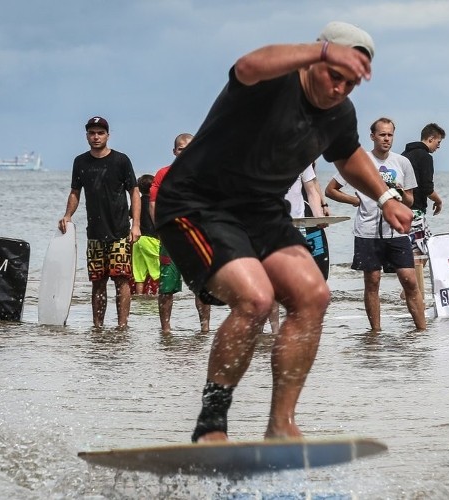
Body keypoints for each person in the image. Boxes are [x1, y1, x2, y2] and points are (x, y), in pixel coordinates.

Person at [154, 22, 412, 443]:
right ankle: (211, 424)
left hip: (261, 212)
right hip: (197, 204)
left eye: (350, 83)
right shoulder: (272, 81)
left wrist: (385, 198)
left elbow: (347, 156)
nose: (339, 89)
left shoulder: (339, 113)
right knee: (256, 299)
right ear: (317, 56)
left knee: (314, 295)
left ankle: (281, 424)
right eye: (334, 74)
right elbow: (247, 64)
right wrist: (323, 52)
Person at [326, 117, 425, 331]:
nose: (386, 139)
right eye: (382, 134)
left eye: (390, 135)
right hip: (367, 231)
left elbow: (410, 199)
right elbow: (330, 189)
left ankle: (422, 331)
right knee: (372, 282)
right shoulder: (362, 162)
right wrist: (355, 200)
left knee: (409, 280)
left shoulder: (402, 162)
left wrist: (398, 193)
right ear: (372, 136)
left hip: (397, 231)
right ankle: (376, 332)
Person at [58, 116, 140, 328]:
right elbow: (75, 192)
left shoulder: (121, 160)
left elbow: (135, 191)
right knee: (97, 282)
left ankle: (122, 326)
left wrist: (136, 225)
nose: (96, 137)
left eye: (100, 133)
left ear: (107, 136)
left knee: (122, 280)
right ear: (87, 136)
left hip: (120, 231)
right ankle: (97, 326)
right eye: (92, 133)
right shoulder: (81, 162)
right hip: (94, 232)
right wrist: (67, 216)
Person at [149, 133, 211, 334]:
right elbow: (153, 204)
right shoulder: (162, 174)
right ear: (175, 151)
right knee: (166, 286)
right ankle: (165, 330)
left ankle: (205, 329)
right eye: (181, 149)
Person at [269, 162, 326, 334]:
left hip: (297, 225)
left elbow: (311, 190)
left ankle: (297, 325)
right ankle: (275, 331)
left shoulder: (302, 154)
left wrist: (318, 216)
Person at [401, 123, 445, 299]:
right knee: (421, 252)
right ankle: (412, 293)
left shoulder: (403, 156)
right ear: (430, 138)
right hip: (416, 212)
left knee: (416, 251)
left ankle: (409, 290)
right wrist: (438, 200)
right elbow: (427, 186)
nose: (438, 146)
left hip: (401, 210)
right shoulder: (425, 157)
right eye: (438, 142)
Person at [132, 174, 159, 297]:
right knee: (158, 271)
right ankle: (159, 295)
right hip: (151, 240)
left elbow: (130, 214)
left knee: (139, 274)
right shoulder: (155, 204)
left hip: (137, 240)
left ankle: (139, 296)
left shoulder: (137, 203)